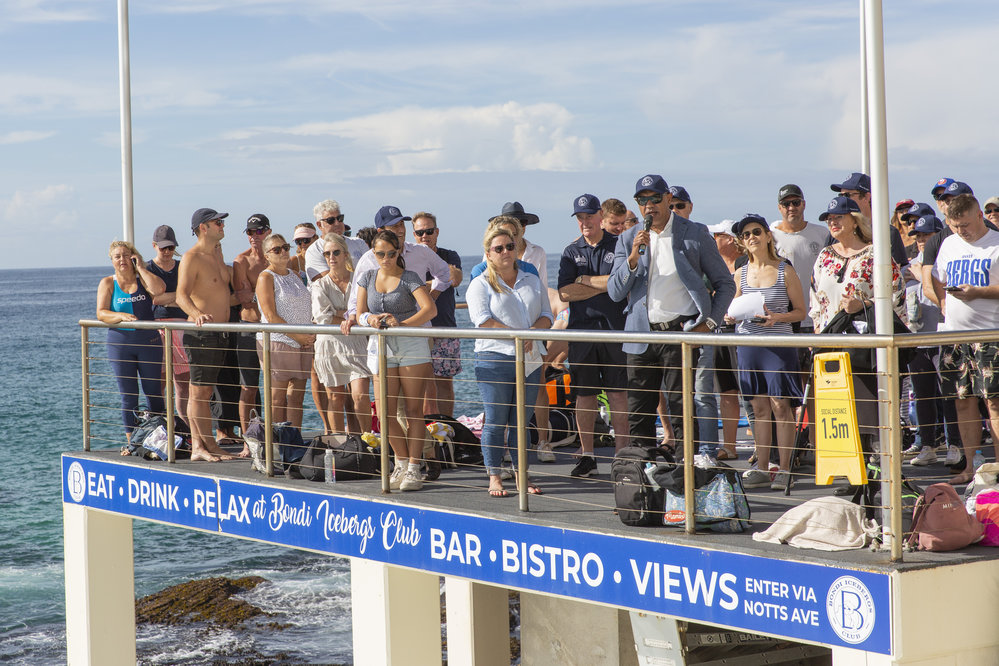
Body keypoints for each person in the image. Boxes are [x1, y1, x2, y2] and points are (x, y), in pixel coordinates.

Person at [607, 174, 735, 451]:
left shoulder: (694, 232)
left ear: (668, 199)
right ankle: (643, 479)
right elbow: (615, 292)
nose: (649, 205)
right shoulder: (628, 238)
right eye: (643, 200)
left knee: (682, 412)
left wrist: (710, 323)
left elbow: (725, 284)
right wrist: (632, 258)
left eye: (655, 198)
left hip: (680, 334)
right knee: (639, 413)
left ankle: (684, 477)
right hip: (641, 336)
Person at [810, 196, 906, 485]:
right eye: (829, 218)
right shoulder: (825, 255)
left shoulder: (875, 255)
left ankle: (884, 474)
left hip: (868, 347)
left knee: (873, 410)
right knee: (841, 412)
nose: (833, 222)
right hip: (833, 345)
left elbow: (896, 294)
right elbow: (816, 298)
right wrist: (818, 332)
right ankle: (855, 475)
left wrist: (863, 304)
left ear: (854, 219)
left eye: (839, 216)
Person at [467, 222, 553, 497]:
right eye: (498, 248)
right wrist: (518, 335)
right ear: (488, 254)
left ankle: (521, 477)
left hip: (529, 359)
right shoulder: (480, 284)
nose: (505, 251)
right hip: (495, 358)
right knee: (495, 420)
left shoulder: (531, 279)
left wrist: (531, 334)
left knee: (521, 421)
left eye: (510, 246)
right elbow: (483, 321)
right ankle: (494, 475)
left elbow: (547, 316)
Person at [351, 221, 438, 491]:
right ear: (373, 255)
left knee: (413, 411)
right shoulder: (366, 278)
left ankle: (414, 468)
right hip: (381, 347)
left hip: (412, 346)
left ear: (398, 251)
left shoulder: (410, 277)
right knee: (386, 412)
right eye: (380, 254)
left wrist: (403, 324)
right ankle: (400, 462)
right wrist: (371, 319)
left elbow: (429, 310)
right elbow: (360, 312)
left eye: (390, 253)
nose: (386, 258)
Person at [724, 215, 805, 490]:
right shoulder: (741, 273)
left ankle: (784, 468)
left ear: (768, 235)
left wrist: (777, 318)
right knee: (758, 408)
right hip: (748, 344)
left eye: (756, 231)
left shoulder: (785, 270)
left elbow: (801, 312)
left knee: (781, 406)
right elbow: (734, 308)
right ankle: (761, 467)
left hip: (778, 345)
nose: (751, 237)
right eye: (745, 234)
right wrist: (730, 317)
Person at [556, 194, 630, 477]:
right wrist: (605, 285)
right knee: (584, 396)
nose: (585, 222)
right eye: (580, 218)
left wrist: (584, 281)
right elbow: (564, 292)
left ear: (600, 216)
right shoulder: (570, 251)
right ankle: (587, 455)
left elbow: (620, 285)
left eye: (589, 216)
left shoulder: (618, 245)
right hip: (582, 332)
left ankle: (622, 455)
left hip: (614, 331)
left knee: (617, 394)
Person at [933, 193, 999, 485]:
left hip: (990, 334)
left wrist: (977, 292)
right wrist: (942, 302)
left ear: (979, 216)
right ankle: (971, 467)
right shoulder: (948, 244)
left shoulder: (996, 244)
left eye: (965, 224)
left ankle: (996, 467)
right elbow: (935, 275)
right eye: (955, 225)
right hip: (955, 335)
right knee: (962, 401)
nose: (961, 231)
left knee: (994, 403)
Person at [176, 208, 238, 462]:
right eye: (217, 222)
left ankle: (207, 444)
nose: (222, 226)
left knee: (205, 392)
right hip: (202, 334)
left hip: (221, 333)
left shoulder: (216, 255)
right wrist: (196, 314)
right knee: (198, 393)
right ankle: (200, 447)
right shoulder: (192, 257)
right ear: (203, 227)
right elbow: (181, 295)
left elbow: (223, 291)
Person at [904, 213, 961, 466]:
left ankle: (954, 445)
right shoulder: (910, 264)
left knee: (949, 394)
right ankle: (927, 445)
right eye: (917, 235)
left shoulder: (946, 259)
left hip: (942, 336)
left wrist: (921, 276)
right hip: (917, 339)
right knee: (923, 394)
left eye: (927, 235)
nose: (921, 240)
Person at [97, 240, 166, 443]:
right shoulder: (108, 283)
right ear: (112, 260)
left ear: (133, 257)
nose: (122, 260)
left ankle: (159, 438)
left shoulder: (142, 280)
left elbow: (159, 290)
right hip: (121, 344)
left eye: (126, 255)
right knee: (129, 395)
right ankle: (132, 441)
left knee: (154, 392)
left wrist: (142, 268)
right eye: (117, 256)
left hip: (149, 342)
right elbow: (101, 313)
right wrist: (120, 317)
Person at [311, 233, 372, 434]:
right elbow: (323, 316)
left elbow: (366, 308)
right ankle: (338, 444)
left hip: (356, 344)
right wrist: (352, 315)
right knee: (335, 398)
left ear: (345, 254)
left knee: (360, 395)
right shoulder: (319, 284)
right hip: (329, 345)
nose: (331, 257)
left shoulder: (359, 280)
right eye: (327, 253)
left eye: (336, 252)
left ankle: (368, 441)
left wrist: (346, 315)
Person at [255, 234, 316, 429]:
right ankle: (275, 443)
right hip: (279, 341)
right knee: (277, 398)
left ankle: (294, 440)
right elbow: (270, 315)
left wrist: (307, 336)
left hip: (303, 342)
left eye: (285, 247)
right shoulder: (265, 277)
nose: (283, 252)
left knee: (296, 397)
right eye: (276, 249)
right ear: (266, 255)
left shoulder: (295, 275)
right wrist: (298, 336)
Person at [412, 211, 463, 417]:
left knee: (444, 385)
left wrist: (419, 286)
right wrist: (439, 280)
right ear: (414, 235)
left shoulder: (449, 255)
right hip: (418, 332)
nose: (425, 236)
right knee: (421, 388)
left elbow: (455, 277)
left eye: (429, 231)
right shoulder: (409, 259)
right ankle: (426, 432)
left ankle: (447, 429)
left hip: (444, 328)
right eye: (420, 232)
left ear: (437, 232)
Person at [146, 225, 190, 426]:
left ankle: (186, 427)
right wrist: (177, 298)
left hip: (182, 327)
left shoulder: (182, 267)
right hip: (158, 328)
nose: (166, 252)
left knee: (183, 383)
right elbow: (154, 299)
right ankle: (161, 426)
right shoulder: (148, 269)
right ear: (154, 246)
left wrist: (167, 298)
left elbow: (188, 295)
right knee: (161, 381)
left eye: (170, 248)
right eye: (163, 247)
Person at [231, 213, 270, 438]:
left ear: (268, 232)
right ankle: (248, 439)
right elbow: (244, 297)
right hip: (249, 327)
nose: (254, 236)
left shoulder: (276, 258)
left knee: (276, 387)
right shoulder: (242, 261)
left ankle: (273, 434)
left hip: (272, 330)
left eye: (259, 231)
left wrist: (255, 292)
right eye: (249, 232)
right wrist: (267, 295)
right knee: (249, 387)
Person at [706, 221, 742, 459]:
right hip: (719, 332)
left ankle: (764, 448)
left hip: (744, 333)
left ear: (730, 239)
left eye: (717, 235)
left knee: (752, 395)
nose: (713, 240)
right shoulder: (713, 267)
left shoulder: (746, 264)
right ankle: (729, 446)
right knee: (727, 391)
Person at [830, 172, 909, 270]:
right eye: (840, 196)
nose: (843, 200)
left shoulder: (887, 233)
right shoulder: (836, 232)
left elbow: (895, 274)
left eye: (847, 195)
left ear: (867, 197)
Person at [305, 199, 370, 281]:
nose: (337, 223)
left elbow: (372, 272)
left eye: (340, 218)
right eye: (331, 220)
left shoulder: (359, 243)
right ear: (319, 225)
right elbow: (330, 281)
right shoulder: (314, 251)